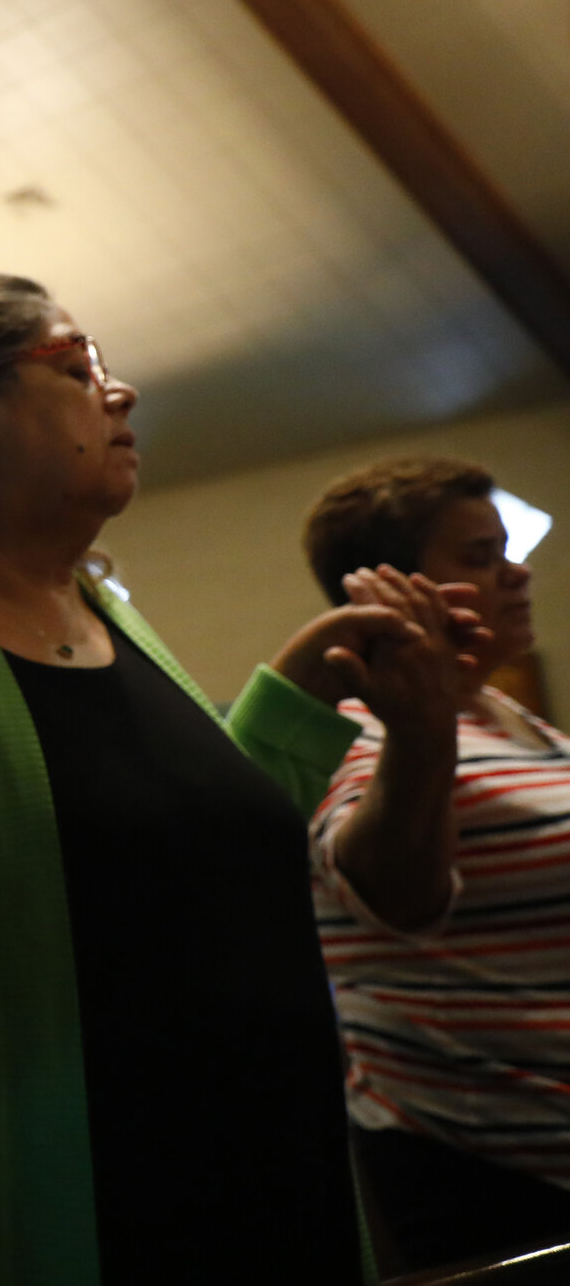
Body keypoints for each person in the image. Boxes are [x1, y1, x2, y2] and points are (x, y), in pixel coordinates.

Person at [0, 274, 457, 1285]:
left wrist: (306, 688)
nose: (121, 390)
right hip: (84, 1206)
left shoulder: (104, 612)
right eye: (80, 363)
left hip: (260, 1181)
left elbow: (174, 853)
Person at [302, 458, 570, 1270]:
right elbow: (394, 893)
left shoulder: (505, 714)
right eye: (481, 556)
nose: (516, 573)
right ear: (397, 587)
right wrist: (422, 731)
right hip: (489, 1172)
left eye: (508, 550)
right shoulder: (361, 733)